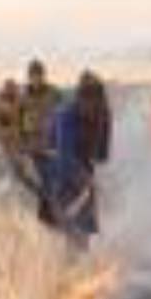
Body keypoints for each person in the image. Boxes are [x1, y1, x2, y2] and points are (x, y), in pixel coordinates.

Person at [46, 71, 112, 249]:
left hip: (83, 161)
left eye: (99, 102)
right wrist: (86, 180)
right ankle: (70, 262)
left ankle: (82, 255)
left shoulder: (104, 113)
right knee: (70, 222)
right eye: (91, 103)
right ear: (81, 99)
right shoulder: (65, 114)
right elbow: (64, 154)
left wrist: (95, 179)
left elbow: (101, 155)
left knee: (86, 223)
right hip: (59, 164)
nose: (95, 108)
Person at [17, 59, 63, 225]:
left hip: (52, 148)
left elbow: (63, 119)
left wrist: (61, 144)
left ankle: (51, 217)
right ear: (29, 77)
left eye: (39, 75)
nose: (36, 79)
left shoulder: (55, 94)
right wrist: (22, 147)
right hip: (32, 148)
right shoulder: (22, 98)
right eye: (33, 75)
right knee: (41, 183)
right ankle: (46, 216)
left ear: (44, 75)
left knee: (52, 182)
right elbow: (18, 124)